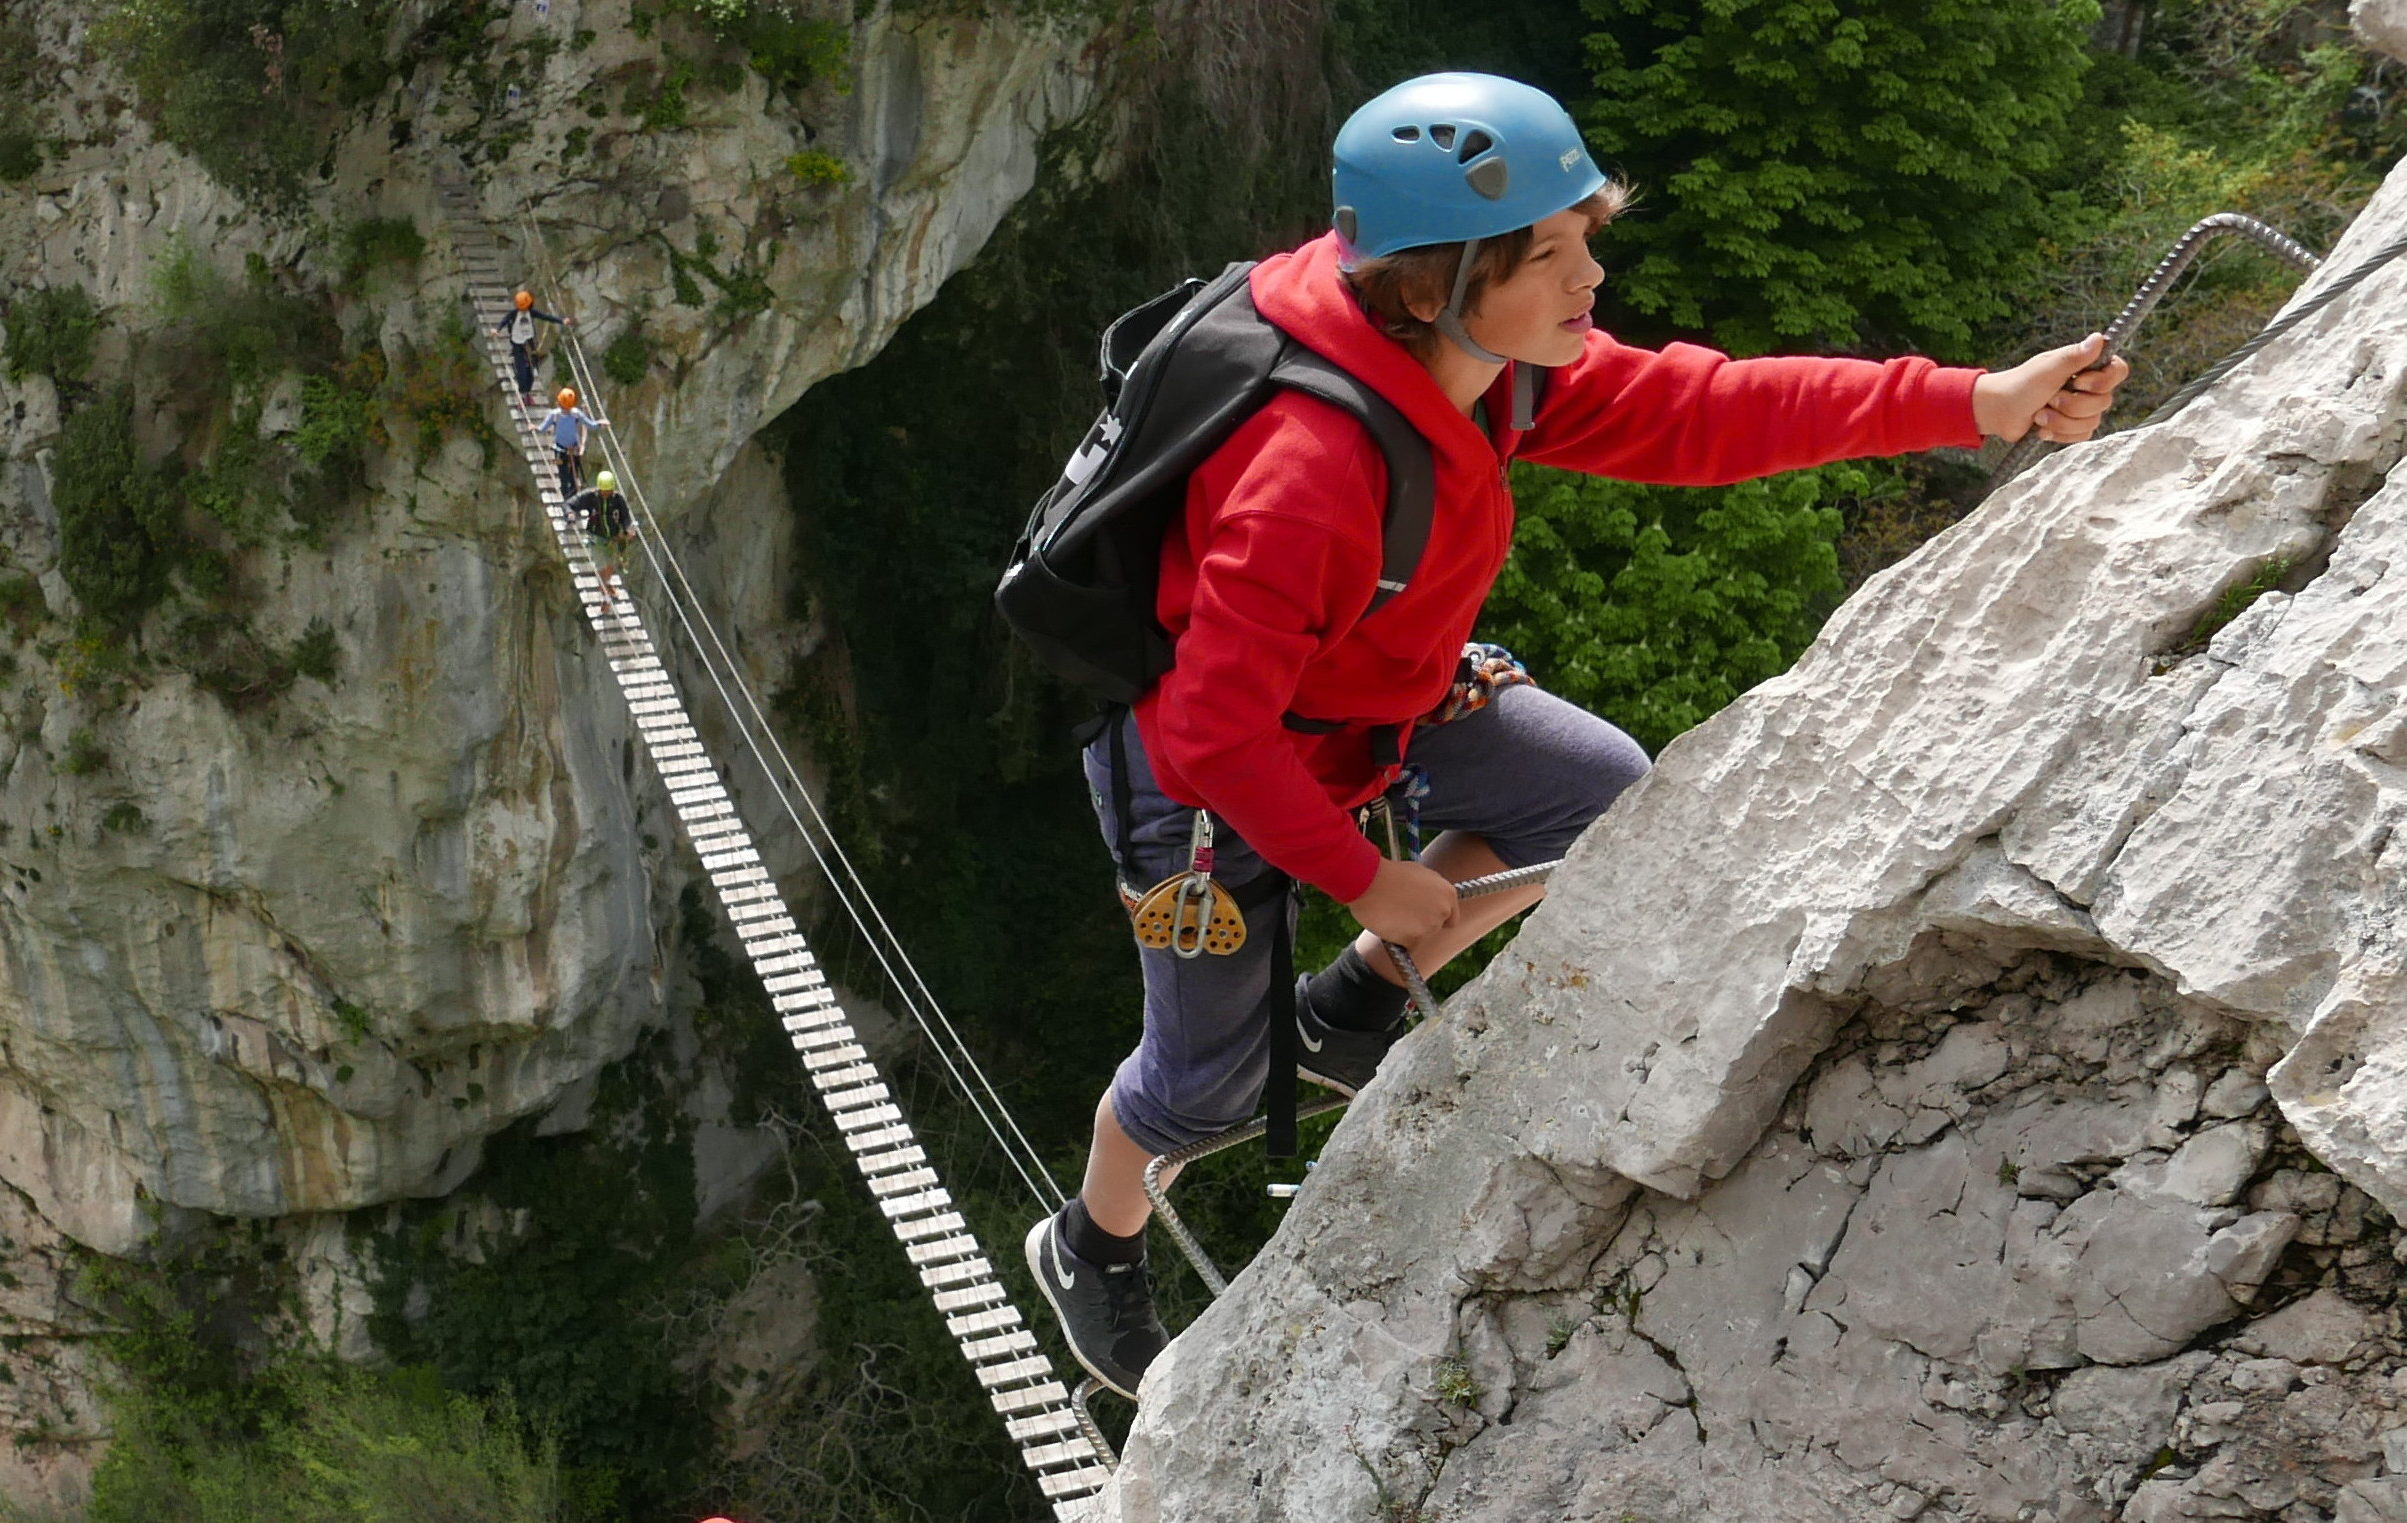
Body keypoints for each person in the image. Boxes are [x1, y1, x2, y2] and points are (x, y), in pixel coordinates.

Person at [1020, 71, 2132, 1403]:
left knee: (1598, 796)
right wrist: (1364, 874)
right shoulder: (1306, 465)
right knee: (1196, 1091)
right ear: (1430, 282)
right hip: (1206, 776)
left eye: (1583, 234)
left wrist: (1974, 400)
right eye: (1547, 251)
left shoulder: (1492, 368)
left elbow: (1707, 410)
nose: (1588, 275)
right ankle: (1089, 1241)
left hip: (1381, 696)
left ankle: (1350, 1000)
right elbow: (1209, 729)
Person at [567, 469, 634, 604]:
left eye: (608, 491)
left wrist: (628, 529)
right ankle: (605, 597)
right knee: (600, 567)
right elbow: (570, 504)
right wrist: (570, 514)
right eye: (603, 491)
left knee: (610, 567)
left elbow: (626, 517)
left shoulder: (618, 499)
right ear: (599, 488)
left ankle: (607, 585)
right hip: (595, 538)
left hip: (613, 540)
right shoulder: (591, 497)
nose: (605, 494)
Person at [496, 290, 570, 406]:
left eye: (524, 307)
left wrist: (561, 321)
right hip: (517, 346)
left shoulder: (531, 313)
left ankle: (527, 394)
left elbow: (546, 317)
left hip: (530, 346)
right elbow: (504, 320)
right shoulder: (514, 314)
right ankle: (522, 396)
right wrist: (497, 330)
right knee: (522, 372)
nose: (523, 309)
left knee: (531, 373)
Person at [535, 386, 609, 496]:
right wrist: (600, 423)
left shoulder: (557, 415)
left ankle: (569, 500)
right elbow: (591, 425)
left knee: (568, 477)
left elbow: (542, 428)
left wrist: (534, 427)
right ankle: (570, 500)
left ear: (559, 402)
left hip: (563, 450)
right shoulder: (574, 414)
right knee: (569, 477)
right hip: (570, 450)